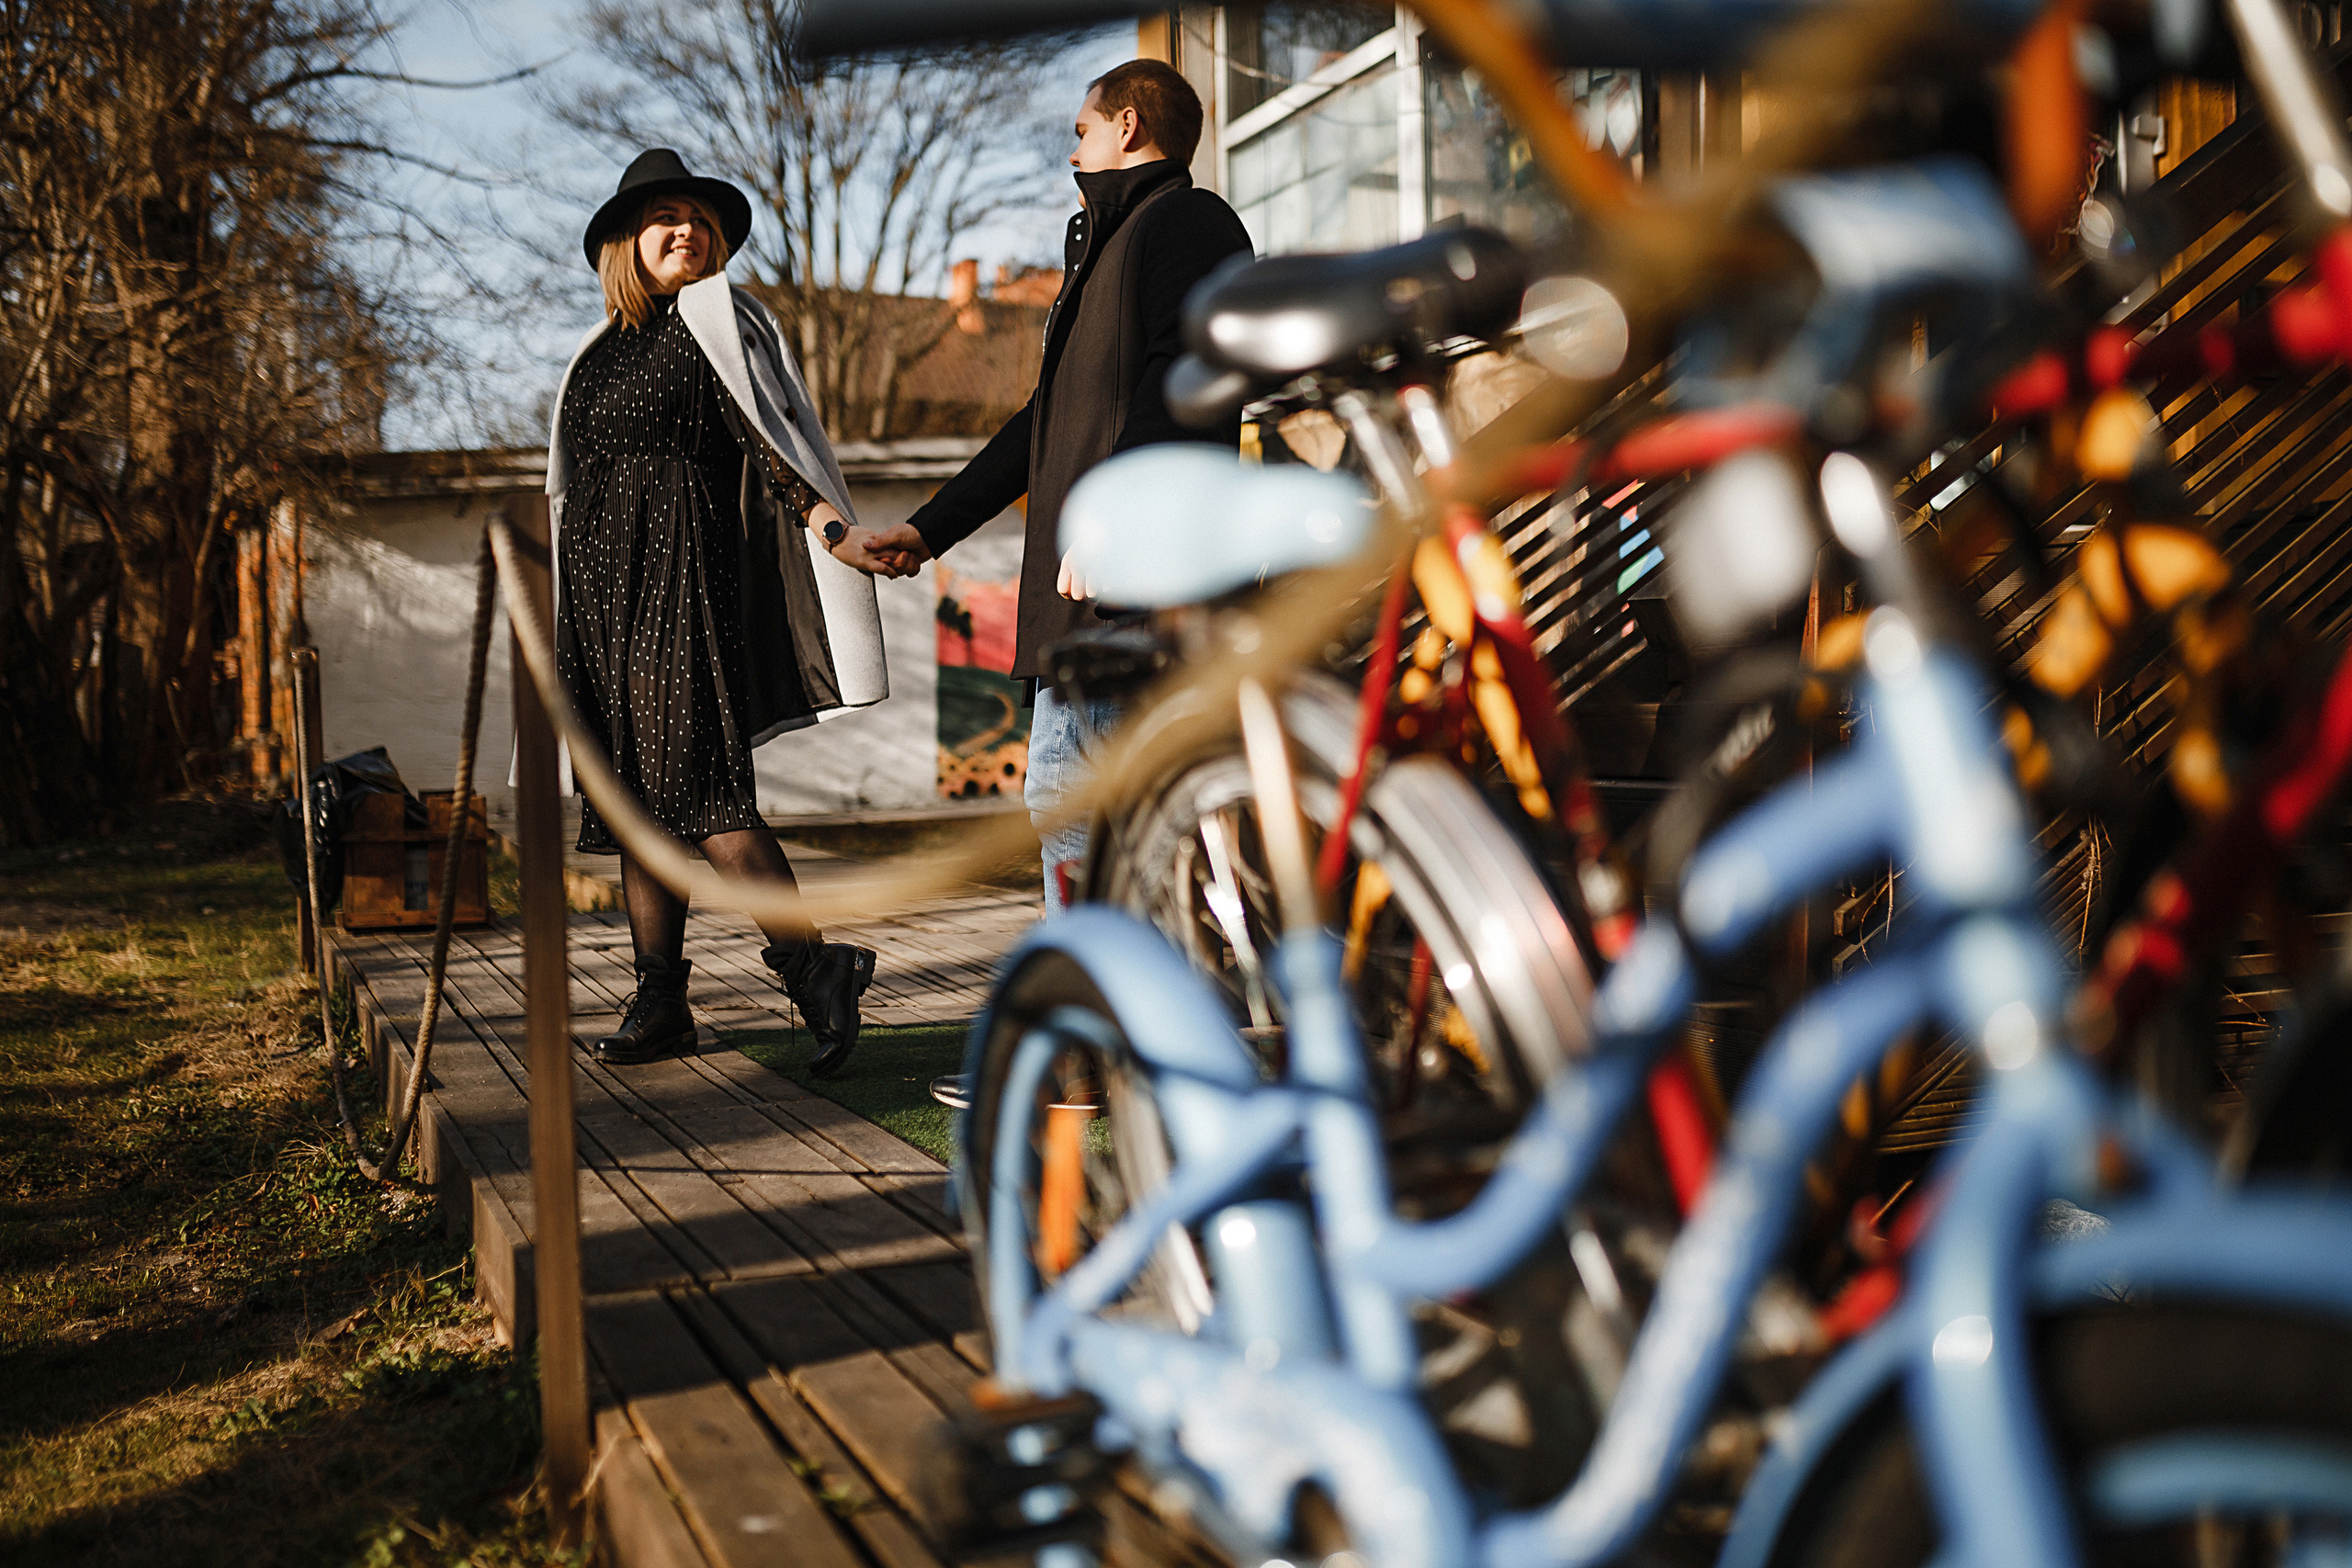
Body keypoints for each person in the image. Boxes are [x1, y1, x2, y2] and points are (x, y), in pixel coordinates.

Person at [829, 60, 1254, 910]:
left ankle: (1118, 994)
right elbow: (1042, 426)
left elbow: (1185, 375)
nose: (1072, 152)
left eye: (1082, 130)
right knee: (1093, 832)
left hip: (1133, 600)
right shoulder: (1105, 251)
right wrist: (931, 528)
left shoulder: (1186, 221)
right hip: (1084, 611)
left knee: (1109, 836)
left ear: (1128, 125)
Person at [551, 147, 884, 1074]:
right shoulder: (595, 353)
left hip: (678, 587)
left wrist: (833, 528)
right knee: (637, 804)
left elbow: (773, 443)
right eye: (667, 216)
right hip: (601, 604)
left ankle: (814, 967)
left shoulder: (716, 322)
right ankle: (661, 1002)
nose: (688, 229)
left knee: (700, 791)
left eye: (699, 219)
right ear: (626, 239)